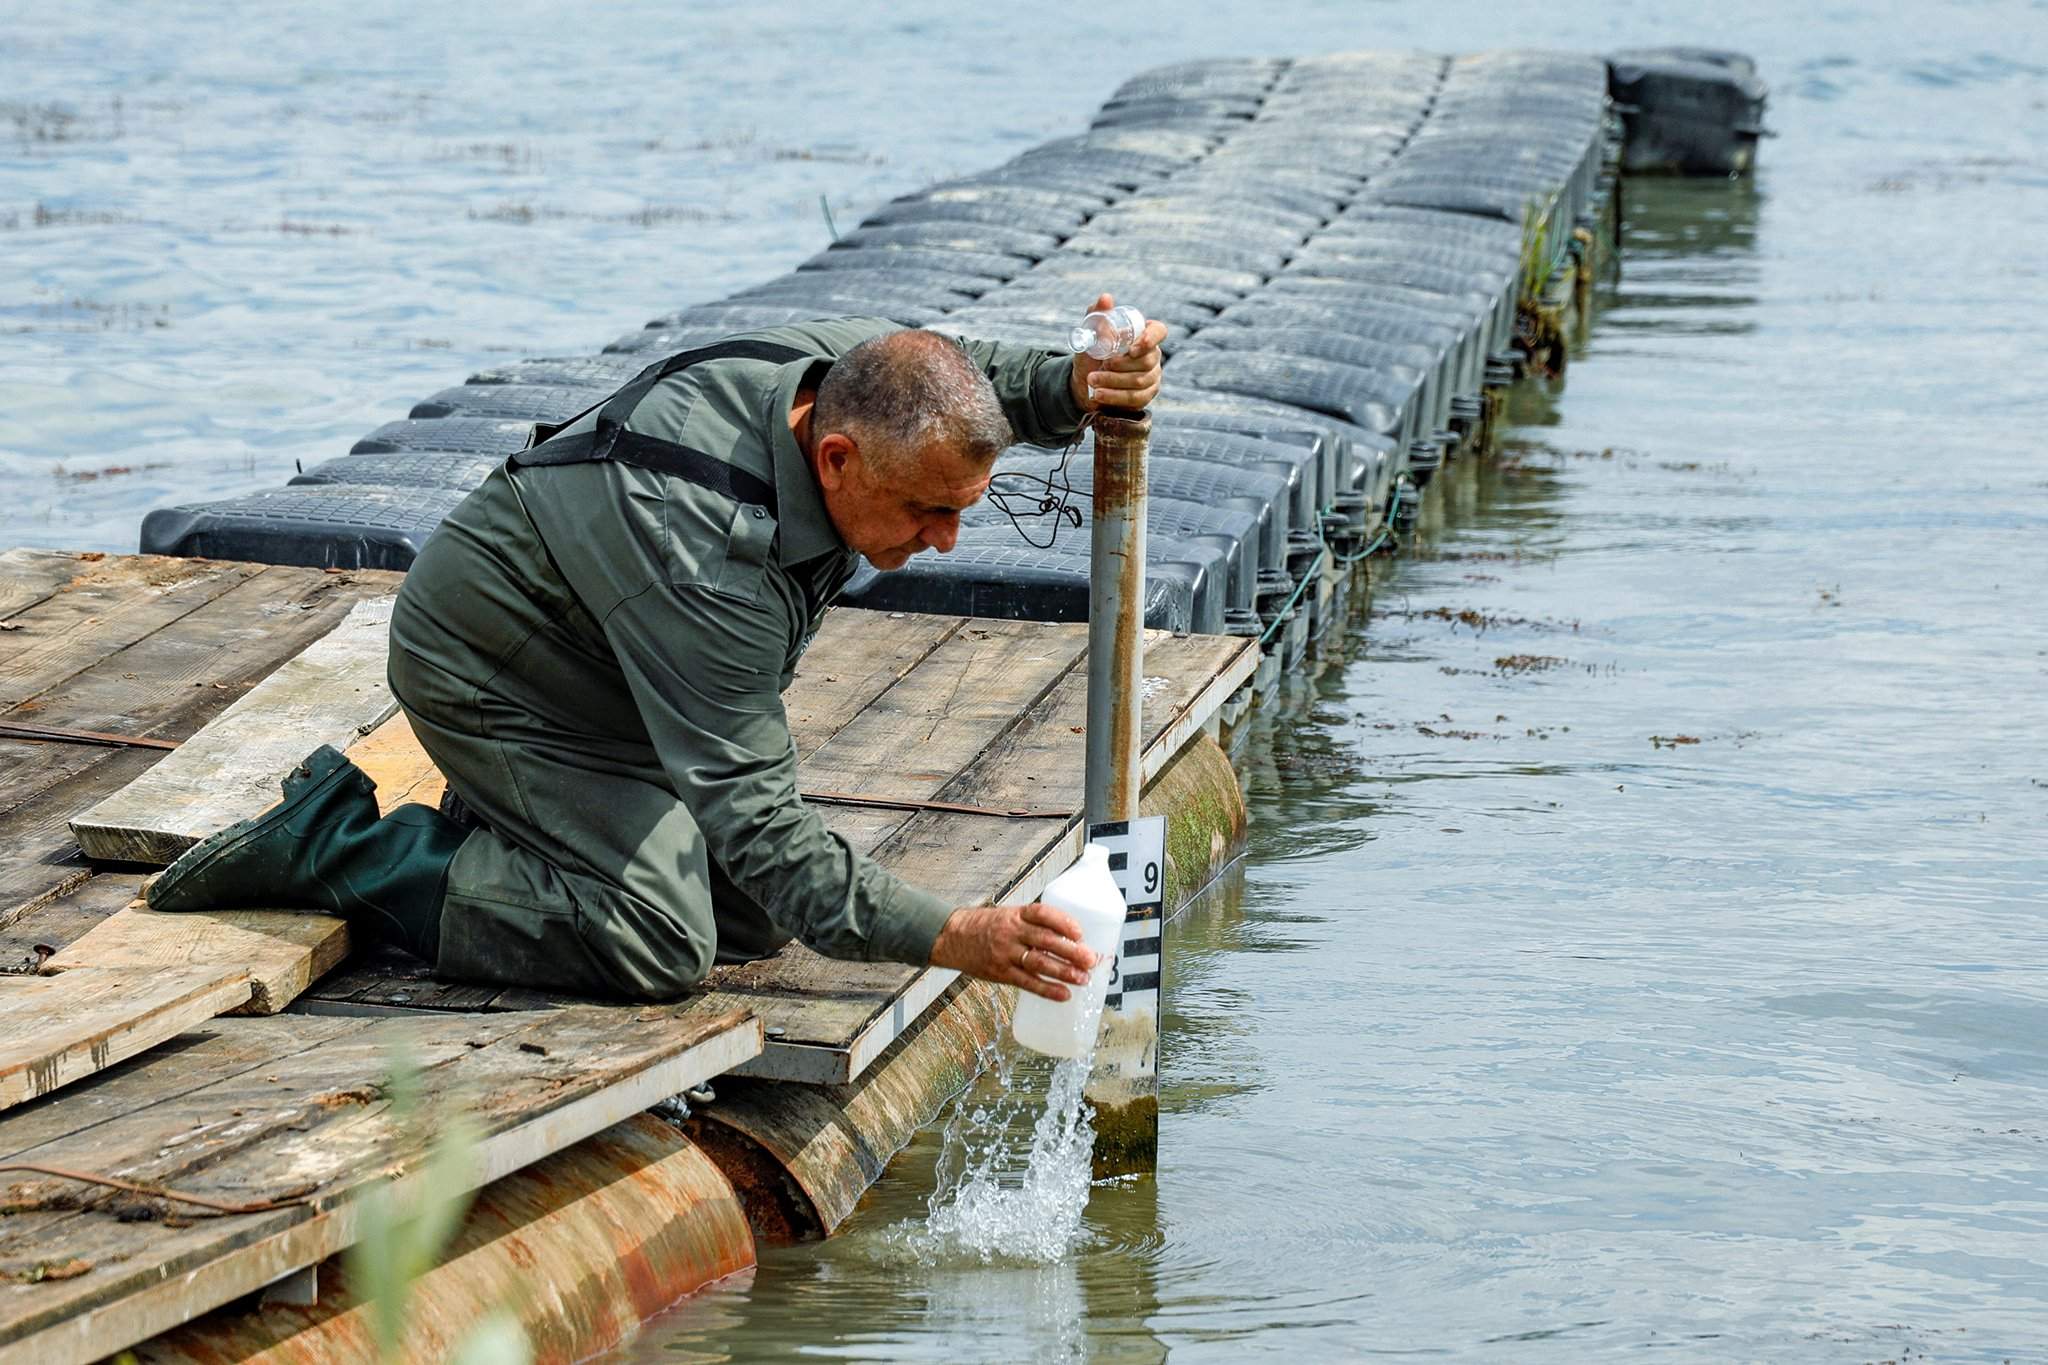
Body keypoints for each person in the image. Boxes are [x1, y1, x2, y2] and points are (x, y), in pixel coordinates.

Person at [148, 295, 1169, 1005]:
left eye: (961, 512)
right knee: (658, 936)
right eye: (924, 511)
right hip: (497, 676)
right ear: (836, 458)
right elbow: (766, 829)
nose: (941, 543)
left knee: (755, 918)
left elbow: (969, 377)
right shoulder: (706, 561)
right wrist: (955, 937)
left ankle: (517, 835)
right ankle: (345, 849)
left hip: (611, 660)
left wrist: (1075, 383)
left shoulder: (861, 371)